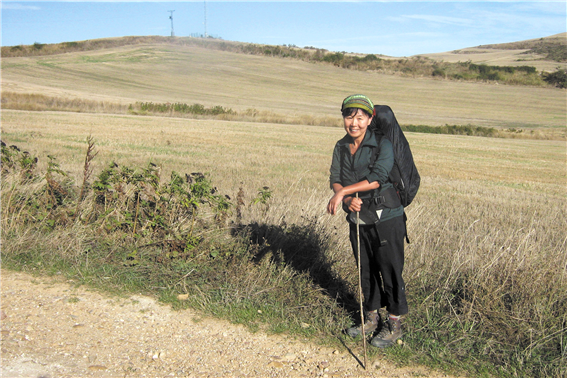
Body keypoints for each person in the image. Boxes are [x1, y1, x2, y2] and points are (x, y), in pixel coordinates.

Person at [327, 94, 408, 348]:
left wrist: (342, 193)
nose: (354, 123)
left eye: (360, 117)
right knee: (365, 268)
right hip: (358, 216)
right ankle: (371, 318)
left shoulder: (382, 144)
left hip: (387, 216)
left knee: (390, 268)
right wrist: (347, 197)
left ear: (370, 119)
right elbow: (335, 176)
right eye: (349, 117)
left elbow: (377, 178)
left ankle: (395, 324)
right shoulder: (341, 146)